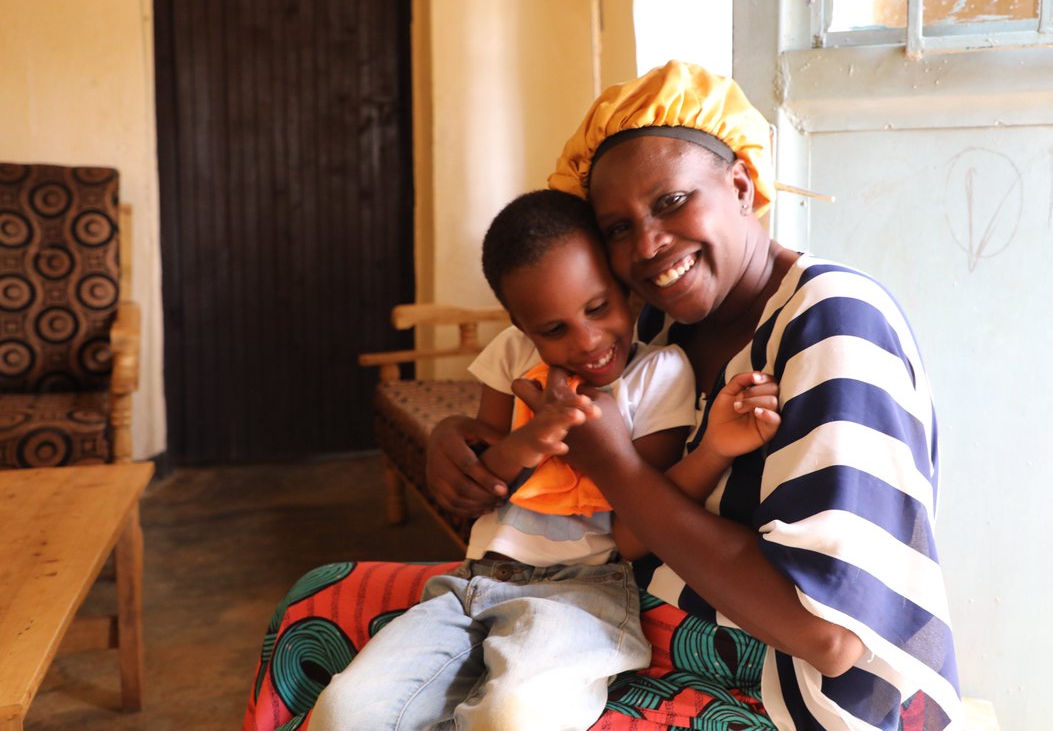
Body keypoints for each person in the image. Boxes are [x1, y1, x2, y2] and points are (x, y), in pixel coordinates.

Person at [426, 61, 962, 730]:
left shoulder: (831, 320)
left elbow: (828, 637)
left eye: (672, 202)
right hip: (620, 626)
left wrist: (614, 467)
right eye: (617, 228)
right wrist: (454, 436)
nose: (648, 245)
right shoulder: (649, 324)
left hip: (779, 696)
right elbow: (528, 410)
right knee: (324, 616)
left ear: (741, 185)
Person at [307, 188, 781, 731]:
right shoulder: (512, 356)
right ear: (521, 326)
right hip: (472, 586)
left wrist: (708, 450)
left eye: (598, 307)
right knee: (347, 709)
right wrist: (537, 436)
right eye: (553, 330)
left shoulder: (659, 374)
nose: (588, 341)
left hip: (584, 593)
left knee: (512, 715)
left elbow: (631, 535)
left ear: (625, 290)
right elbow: (481, 481)